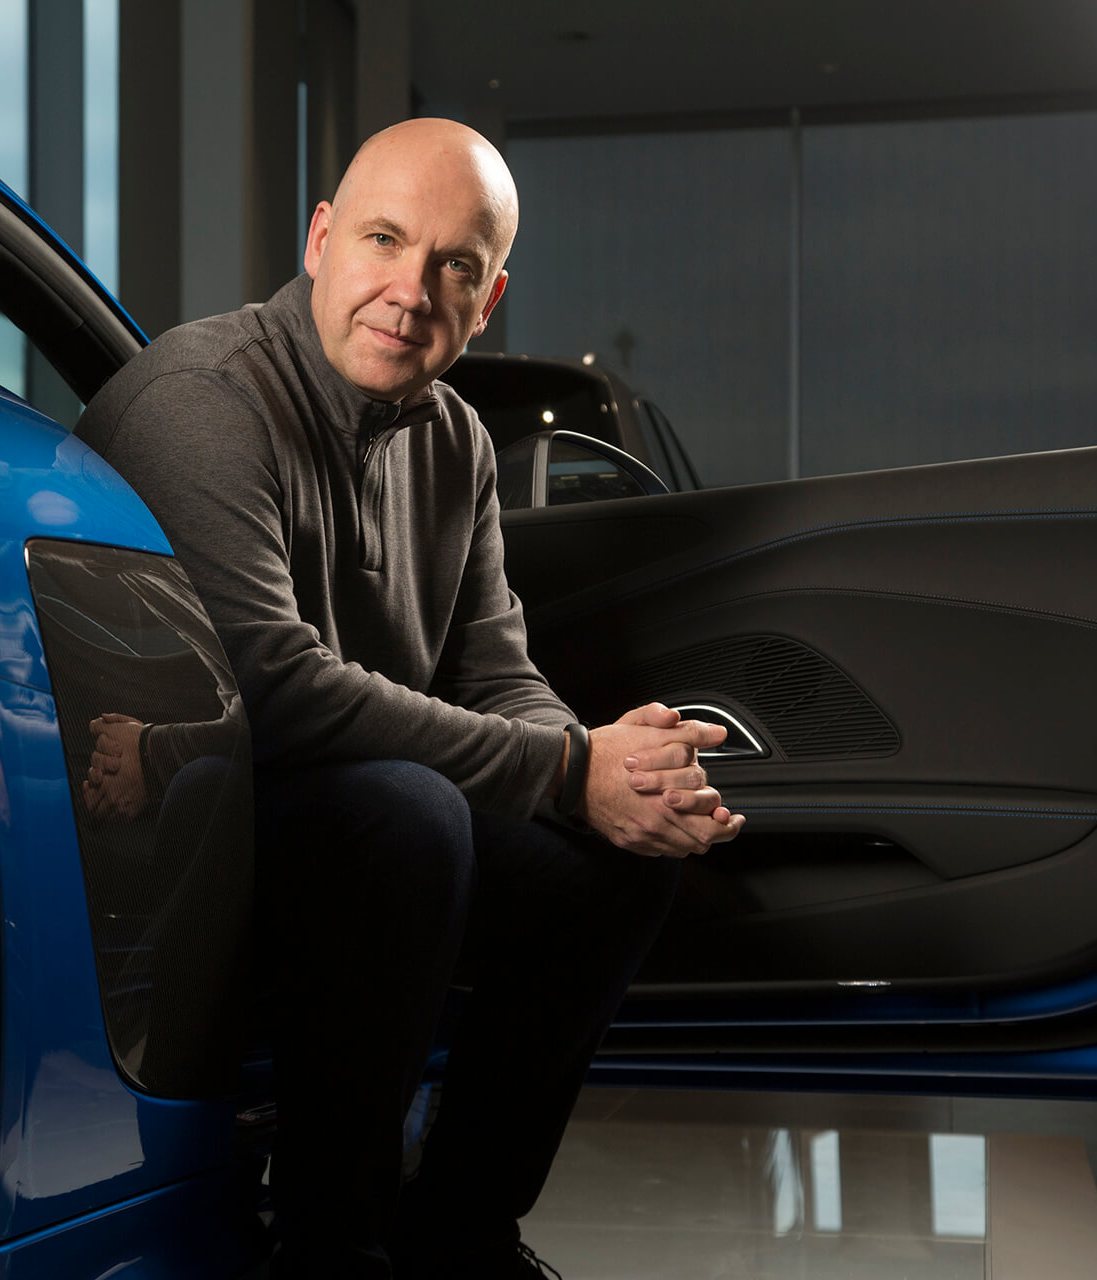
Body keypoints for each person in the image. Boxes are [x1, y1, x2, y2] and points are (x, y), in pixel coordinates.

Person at [75, 117, 744, 1280]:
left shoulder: (456, 441)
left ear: (488, 301)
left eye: (455, 266)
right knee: (408, 813)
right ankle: (334, 1244)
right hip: (147, 837)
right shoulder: (206, 398)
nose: (411, 290)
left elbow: (495, 672)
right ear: (321, 240)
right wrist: (566, 769)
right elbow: (273, 687)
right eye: (384, 239)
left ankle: (462, 1236)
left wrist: (609, 772)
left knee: (613, 856)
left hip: (319, 818)